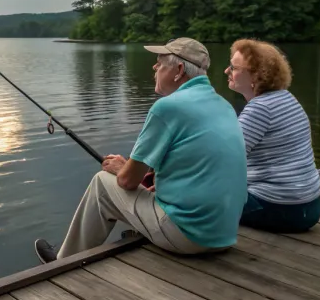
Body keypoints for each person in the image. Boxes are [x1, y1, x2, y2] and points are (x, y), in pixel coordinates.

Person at [34, 37, 248, 263]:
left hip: (191, 238)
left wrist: (122, 168)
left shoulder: (168, 107)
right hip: (224, 234)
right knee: (146, 186)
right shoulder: (223, 106)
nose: (154, 67)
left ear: (179, 70)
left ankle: (63, 261)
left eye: (160, 63)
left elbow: (127, 181)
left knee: (102, 184)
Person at [225, 39, 320, 233]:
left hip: (281, 208)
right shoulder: (286, 98)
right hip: (312, 204)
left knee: (201, 197)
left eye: (233, 67)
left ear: (255, 75)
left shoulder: (259, 109)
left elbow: (226, 158)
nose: (227, 71)